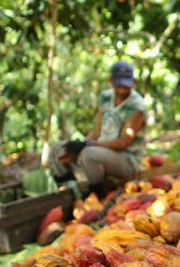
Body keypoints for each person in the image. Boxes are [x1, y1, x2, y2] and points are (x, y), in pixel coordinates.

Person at [52, 60, 147, 197]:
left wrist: (89, 146)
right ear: (111, 81)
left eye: (126, 86)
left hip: (126, 159)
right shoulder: (105, 97)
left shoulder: (136, 106)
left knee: (89, 154)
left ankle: (96, 195)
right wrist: (78, 146)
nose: (121, 90)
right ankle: (66, 189)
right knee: (58, 147)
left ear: (133, 82)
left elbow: (123, 143)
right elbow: (97, 132)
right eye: (118, 85)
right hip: (101, 149)